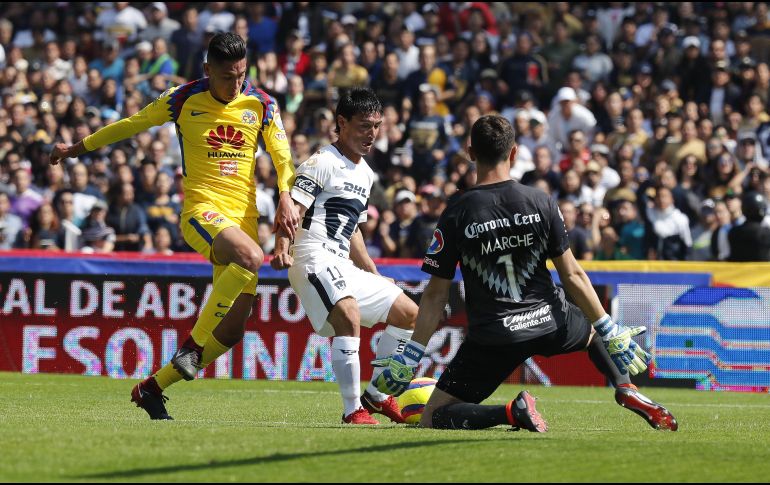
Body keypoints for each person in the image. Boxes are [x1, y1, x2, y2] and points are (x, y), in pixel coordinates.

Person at [372, 115, 678, 432]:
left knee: (434, 416)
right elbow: (572, 274)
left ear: (471, 152)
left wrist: (411, 355)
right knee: (592, 334)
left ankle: (510, 411)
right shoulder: (541, 201)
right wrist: (609, 328)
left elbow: (436, 295)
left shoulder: (457, 212)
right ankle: (625, 387)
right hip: (549, 320)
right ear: (515, 152)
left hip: (495, 336)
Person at [49, 32, 299, 420]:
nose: (236, 85)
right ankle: (191, 348)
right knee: (252, 256)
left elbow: (283, 157)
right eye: (227, 77)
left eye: (241, 75)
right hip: (203, 212)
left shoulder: (262, 104)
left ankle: (151, 388)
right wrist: (75, 148)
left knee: (232, 331)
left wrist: (285, 194)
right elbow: (130, 125)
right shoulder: (182, 99)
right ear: (206, 70)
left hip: (245, 218)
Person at [271, 88, 419, 425]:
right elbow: (292, 209)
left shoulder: (366, 174)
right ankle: (354, 410)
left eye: (377, 126)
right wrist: (281, 247)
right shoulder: (322, 161)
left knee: (409, 313)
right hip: (311, 256)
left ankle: (378, 396)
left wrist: (372, 270)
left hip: (341, 262)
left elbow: (353, 230)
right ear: (342, 123)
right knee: (348, 315)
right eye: (365, 126)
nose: (372, 134)